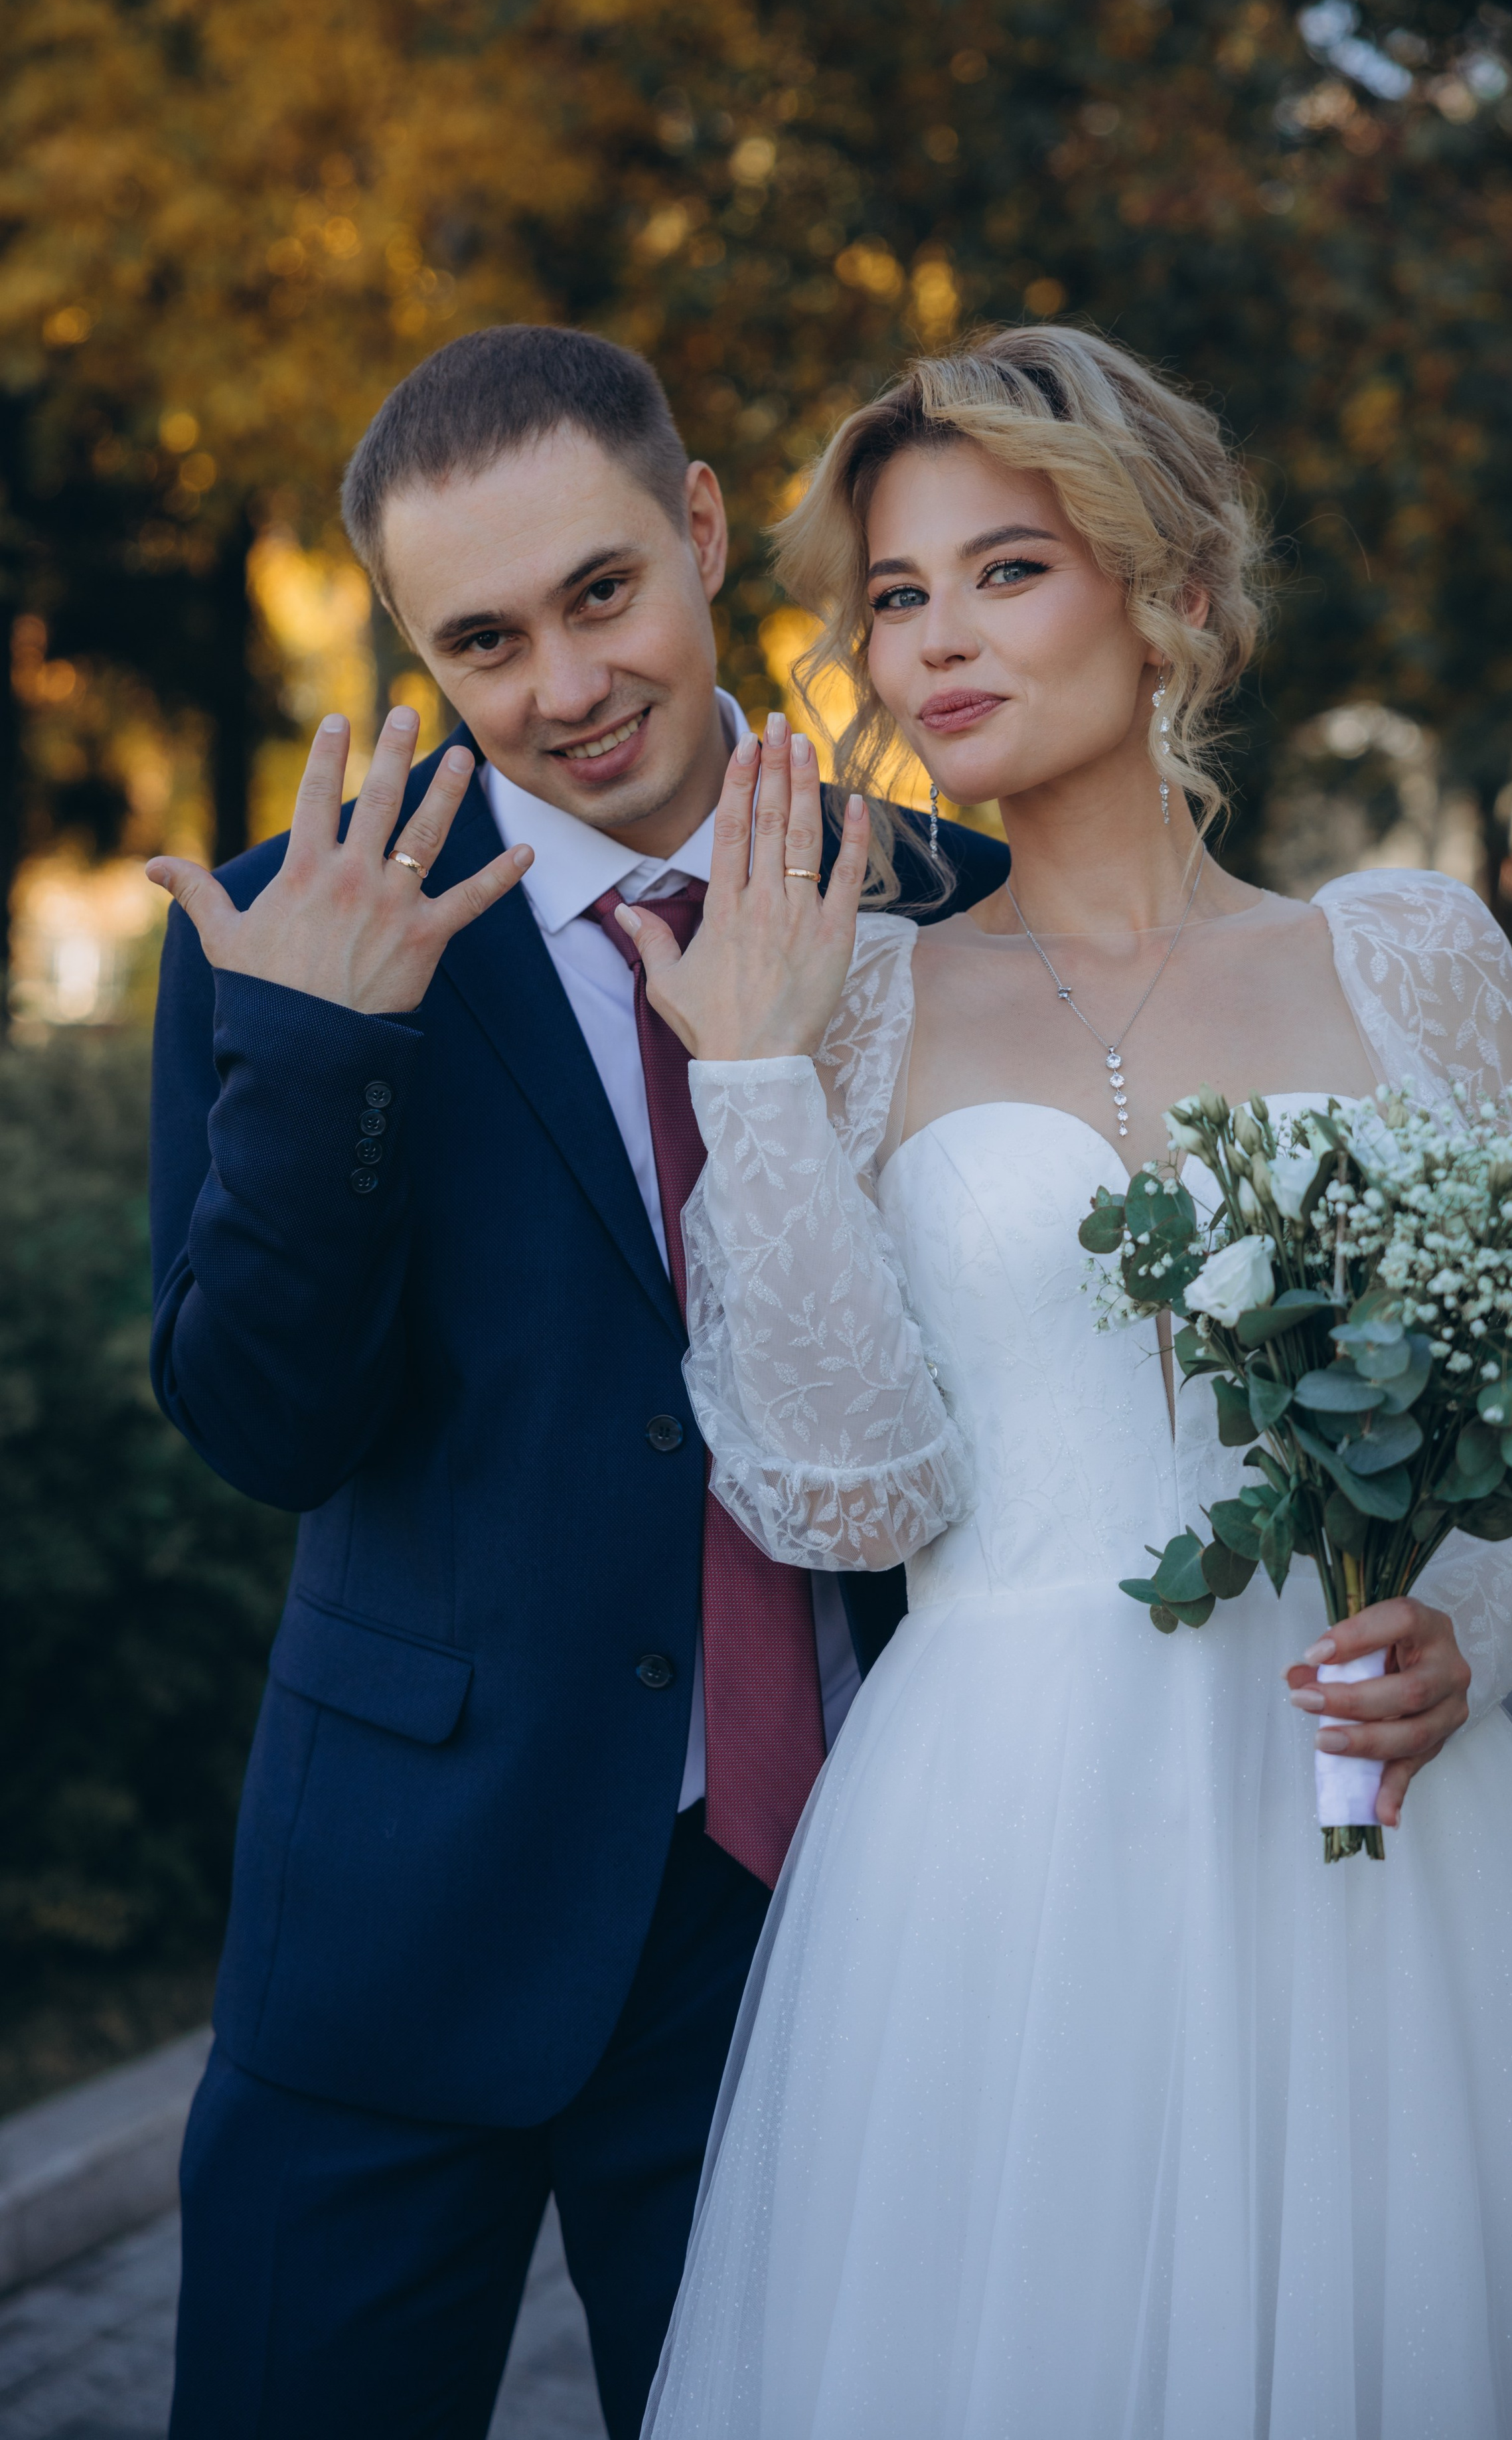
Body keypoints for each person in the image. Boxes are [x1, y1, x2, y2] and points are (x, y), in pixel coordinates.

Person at [626, 325, 1512, 2437]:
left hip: (1363, 1818)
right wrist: (746, 1076)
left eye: (1007, 571)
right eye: (896, 596)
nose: (933, 641)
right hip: (993, 1836)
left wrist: (1463, 1638)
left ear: (1176, 593)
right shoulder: (851, 1007)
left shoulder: (1406, 954)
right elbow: (847, 1500)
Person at [145, 323, 1008, 2440]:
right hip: (395, 1928)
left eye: (603, 592)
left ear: (702, 527)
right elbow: (269, 1428)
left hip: (806, 1923)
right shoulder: (290, 930)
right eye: (483, 639)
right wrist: (325, 1053)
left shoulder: (947, 906)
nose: (561, 685)